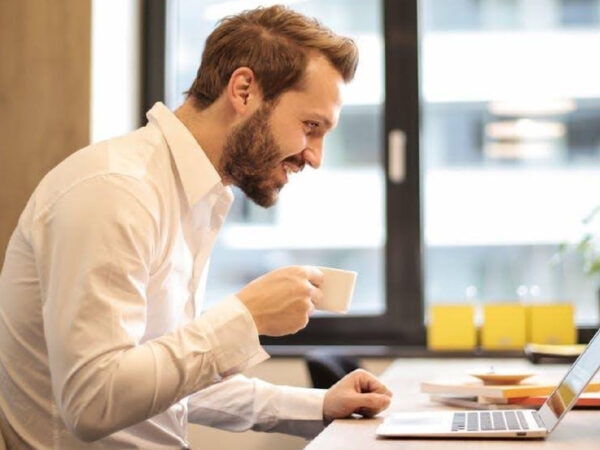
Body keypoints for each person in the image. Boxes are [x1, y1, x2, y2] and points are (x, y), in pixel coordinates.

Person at [0, 5, 392, 449]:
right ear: (243, 91)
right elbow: (94, 401)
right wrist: (244, 317)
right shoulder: (116, 190)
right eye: (310, 126)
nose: (315, 156)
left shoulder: (192, 196)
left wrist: (316, 406)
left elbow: (164, 384)